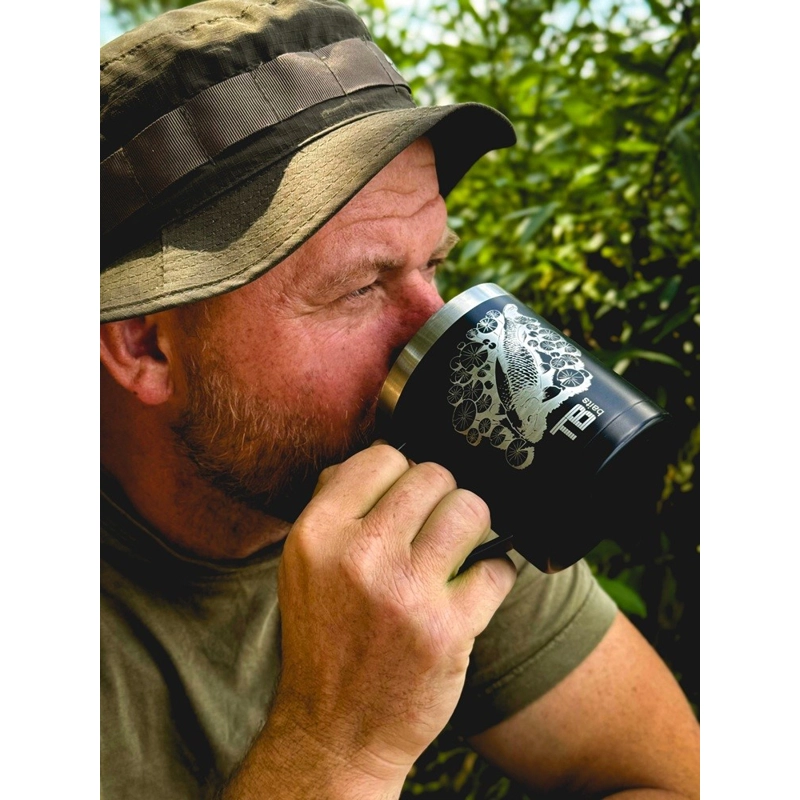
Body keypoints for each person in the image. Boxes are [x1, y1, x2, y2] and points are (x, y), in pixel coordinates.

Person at [100, 1, 700, 798]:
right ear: (146, 345)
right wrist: (338, 744)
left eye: (434, 265)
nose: (436, 330)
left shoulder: (442, 476)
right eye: (360, 286)